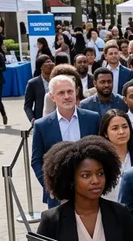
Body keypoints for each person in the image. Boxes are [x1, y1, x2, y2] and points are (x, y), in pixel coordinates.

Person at [32, 76, 101, 206]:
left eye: (70, 91)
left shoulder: (92, 119)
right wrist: (50, 186)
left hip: (90, 188)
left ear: (76, 92)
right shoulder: (42, 125)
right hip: (59, 192)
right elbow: (36, 160)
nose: (67, 96)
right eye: (61, 93)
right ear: (52, 97)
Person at [98, 109, 133, 201]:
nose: (121, 132)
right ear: (105, 133)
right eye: (115, 128)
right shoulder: (99, 160)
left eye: (125, 127)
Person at [24, 56, 54, 122]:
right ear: (41, 67)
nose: (51, 64)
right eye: (47, 62)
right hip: (40, 119)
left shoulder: (59, 81)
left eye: (51, 61)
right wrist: (32, 119)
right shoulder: (33, 83)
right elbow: (27, 106)